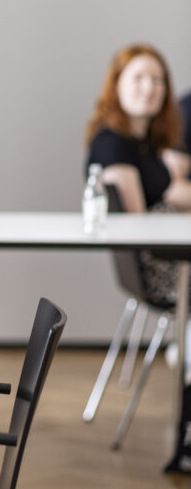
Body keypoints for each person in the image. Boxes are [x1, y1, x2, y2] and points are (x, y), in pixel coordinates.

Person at [85, 43, 191, 304]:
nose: (149, 88)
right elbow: (136, 226)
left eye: (158, 80)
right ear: (117, 84)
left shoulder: (142, 143)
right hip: (163, 270)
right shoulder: (113, 143)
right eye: (139, 78)